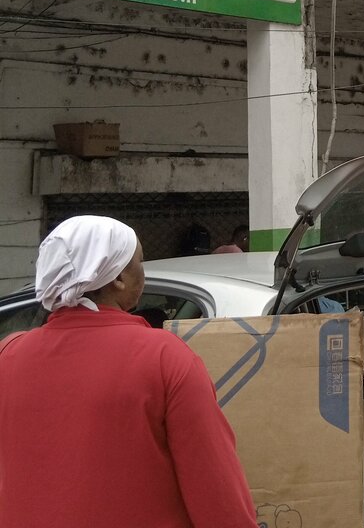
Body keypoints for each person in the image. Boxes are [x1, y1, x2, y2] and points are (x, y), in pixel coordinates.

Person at [0, 215, 258, 528]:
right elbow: (219, 497)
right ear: (120, 277)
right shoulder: (165, 357)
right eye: (140, 261)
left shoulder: (9, 354)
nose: (143, 272)